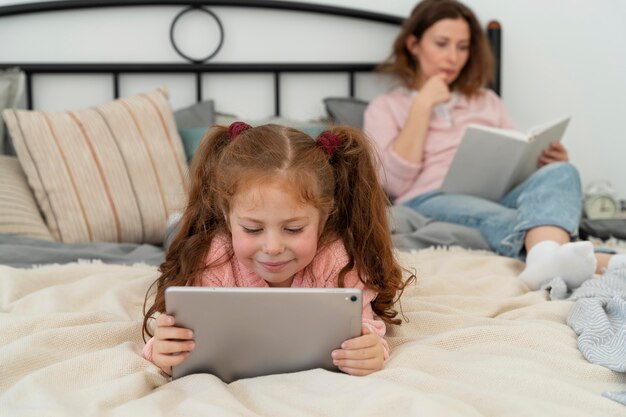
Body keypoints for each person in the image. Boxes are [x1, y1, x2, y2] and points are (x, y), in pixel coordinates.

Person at [364, 0, 626, 290]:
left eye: (462, 47)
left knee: (563, 173)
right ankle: (604, 262)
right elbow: (393, 183)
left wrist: (543, 162)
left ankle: (546, 260)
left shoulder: (486, 101)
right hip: (431, 196)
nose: (452, 57)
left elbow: (514, 157)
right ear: (414, 45)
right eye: (442, 44)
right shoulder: (385, 107)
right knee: (525, 220)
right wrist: (422, 105)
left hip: (496, 192)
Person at [142, 122, 413, 377]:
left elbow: (368, 329)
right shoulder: (210, 259)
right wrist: (161, 350)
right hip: (203, 239)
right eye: (252, 229)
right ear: (226, 216)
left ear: (325, 216)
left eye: (293, 229)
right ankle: (174, 224)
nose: (272, 248)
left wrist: (372, 349)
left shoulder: (339, 261)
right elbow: (179, 336)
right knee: (177, 235)